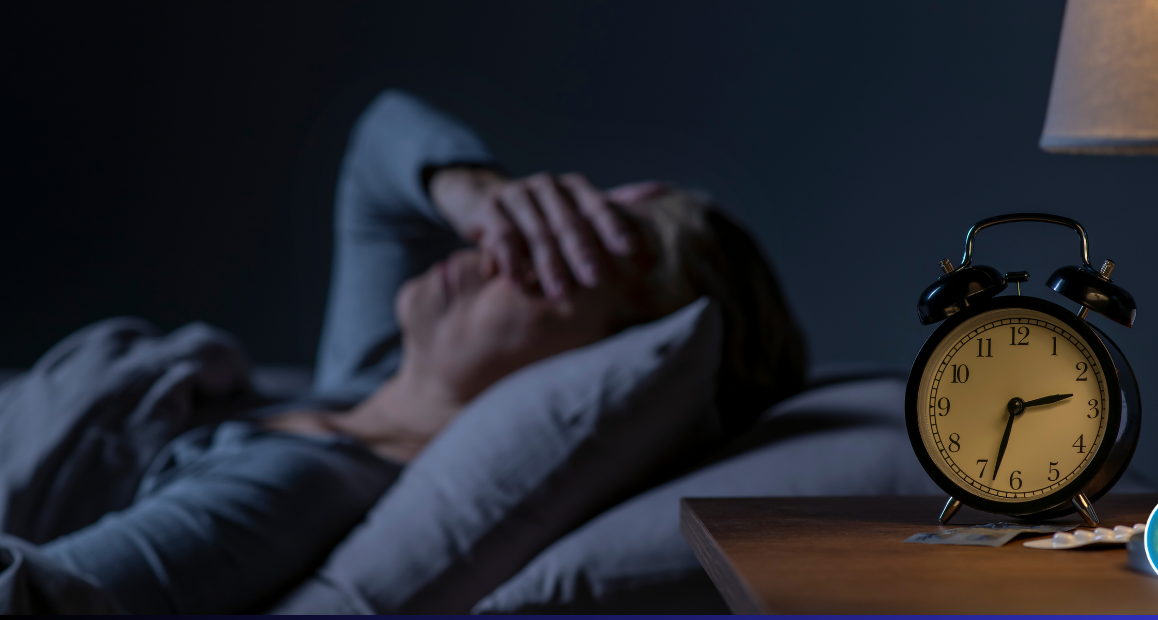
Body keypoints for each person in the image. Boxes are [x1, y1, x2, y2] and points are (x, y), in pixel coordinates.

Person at [0, 89, 806, 613]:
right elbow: (379, 141)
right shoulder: (367, 382)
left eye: (556, 252)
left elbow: (39, 602)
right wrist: (479, 189)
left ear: (606, 353)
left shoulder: (302, 481)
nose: (499, 243)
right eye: (534, 216)